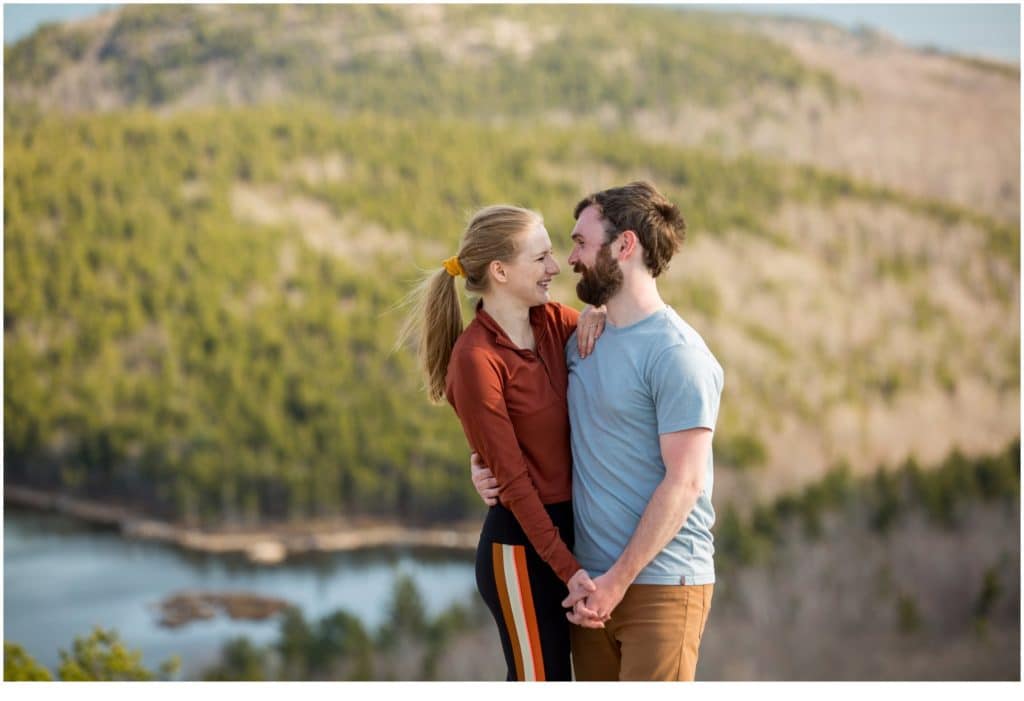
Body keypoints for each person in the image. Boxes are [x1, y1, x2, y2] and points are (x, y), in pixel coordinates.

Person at [471, 181, 724, 681]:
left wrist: (615, 582)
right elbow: (524, 417)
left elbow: (685, 484)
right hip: (589, 593)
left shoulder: (678, 355)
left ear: (625, 246)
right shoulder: (579, 338)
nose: (570, 260)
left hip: (660, 585)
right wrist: (481, 465)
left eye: (581, 244)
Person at [399, 204, 606, 681]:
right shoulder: (475, 360)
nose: (555, 267)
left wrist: (599, 313)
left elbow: (622, 339)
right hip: (520, 550)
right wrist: (570, 570)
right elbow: (513, 483)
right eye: (541, 258)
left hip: (572, 538)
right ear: (500, 270)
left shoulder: (555, 322)